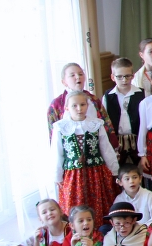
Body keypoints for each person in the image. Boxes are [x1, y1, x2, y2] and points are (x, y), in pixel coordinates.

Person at [51, 91, 119, 226]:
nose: (79, 109)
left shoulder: (96, 124)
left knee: (97, 203)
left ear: (87, 106)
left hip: (95, 173)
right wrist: (57, 177)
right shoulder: (61, 127)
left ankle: (98, 231)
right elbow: (57, 153)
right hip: (73, 176)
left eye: (82, 105)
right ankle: (77, 231)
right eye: (74, 106)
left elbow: (106, 148)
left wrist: (114, 170)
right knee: (76, 205)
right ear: (67, 108)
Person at [46, 62, 117, 146]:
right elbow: (53, 136)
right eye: (72, 75)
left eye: (80, 74)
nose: (78, 77)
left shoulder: (93, 100)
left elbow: (107, 125)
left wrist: (113, 146)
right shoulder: (56, 105)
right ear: (64, 82)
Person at [105, 57, 144, 165]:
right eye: (119, 77)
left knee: (138, 169)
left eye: (127, 76)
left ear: (133, 76)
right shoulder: (107, 97)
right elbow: (105, 122)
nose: (124, 80)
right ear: (113, 77)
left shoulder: (141, 94)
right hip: (117, 141)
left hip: (137, 139)